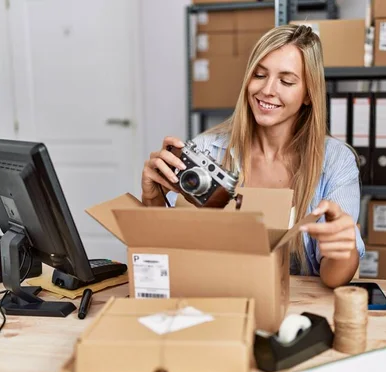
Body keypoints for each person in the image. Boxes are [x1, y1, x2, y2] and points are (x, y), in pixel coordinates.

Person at [140, 24, 365, 288]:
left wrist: (342, 247)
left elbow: (333, 277)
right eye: (259, 75)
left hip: (297, 311)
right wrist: (152, 197)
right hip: (218, 298)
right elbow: (163, 254)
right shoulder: (207, 150)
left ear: (308, 95)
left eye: (286, 81)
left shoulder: (336, 161)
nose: (267, 89)